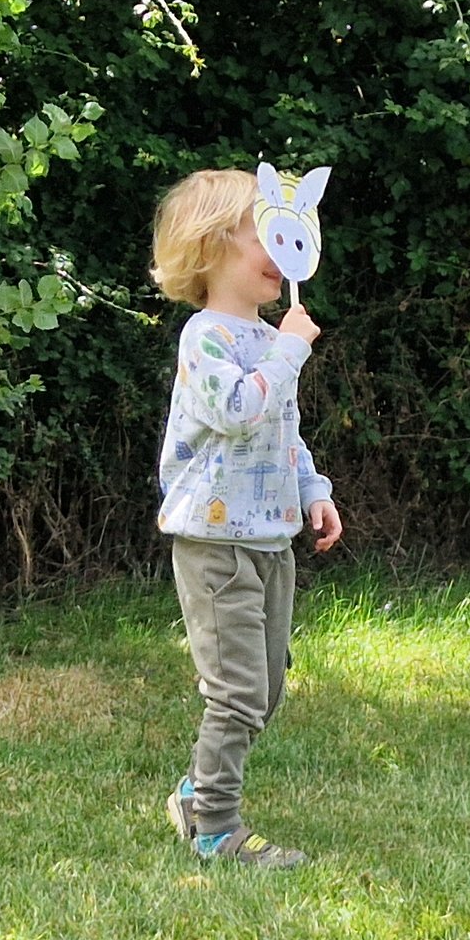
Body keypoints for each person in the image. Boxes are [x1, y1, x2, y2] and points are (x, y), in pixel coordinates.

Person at [149, 167, 345, 868]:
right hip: (214, 540)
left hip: (269, 537)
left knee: (264, 691)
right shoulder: (205, 338)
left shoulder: (268, 338)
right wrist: (290, 349)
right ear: (210, 248)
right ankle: (216, 828)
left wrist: (313, 487)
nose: (280, 247)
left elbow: (280, 431)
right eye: (260, 232)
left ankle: (197, 790)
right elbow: (238, 410)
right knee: (236, 696)